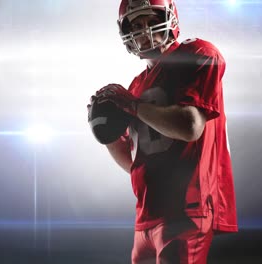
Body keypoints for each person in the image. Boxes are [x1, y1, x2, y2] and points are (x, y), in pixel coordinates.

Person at [88, 0, 238, 263]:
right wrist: (107, 133)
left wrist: (132, 106)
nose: (144, 30)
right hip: (146, 215)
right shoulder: (135, 85)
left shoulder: (196, 53)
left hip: (185, 209)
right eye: (136, 24)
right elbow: (136, 164)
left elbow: (190, 127)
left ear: (170, 18)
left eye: (150, 20)